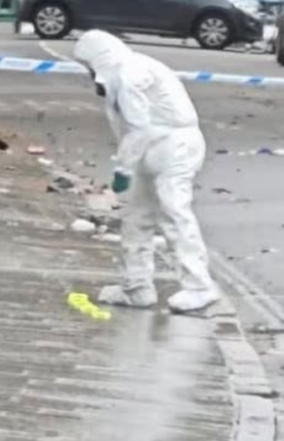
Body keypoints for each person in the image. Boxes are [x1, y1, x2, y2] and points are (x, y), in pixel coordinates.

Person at [73, 30, 220, 313]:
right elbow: (133, 129)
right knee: (137, 218)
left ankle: (199, 287)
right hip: (152, 149)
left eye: (88, 68)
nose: (89, 75)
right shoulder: (123, 74)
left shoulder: (129, 75)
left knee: (174, 214)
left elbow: (138, 128)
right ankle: (136, 287)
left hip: (173, 147)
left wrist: (122, 171)